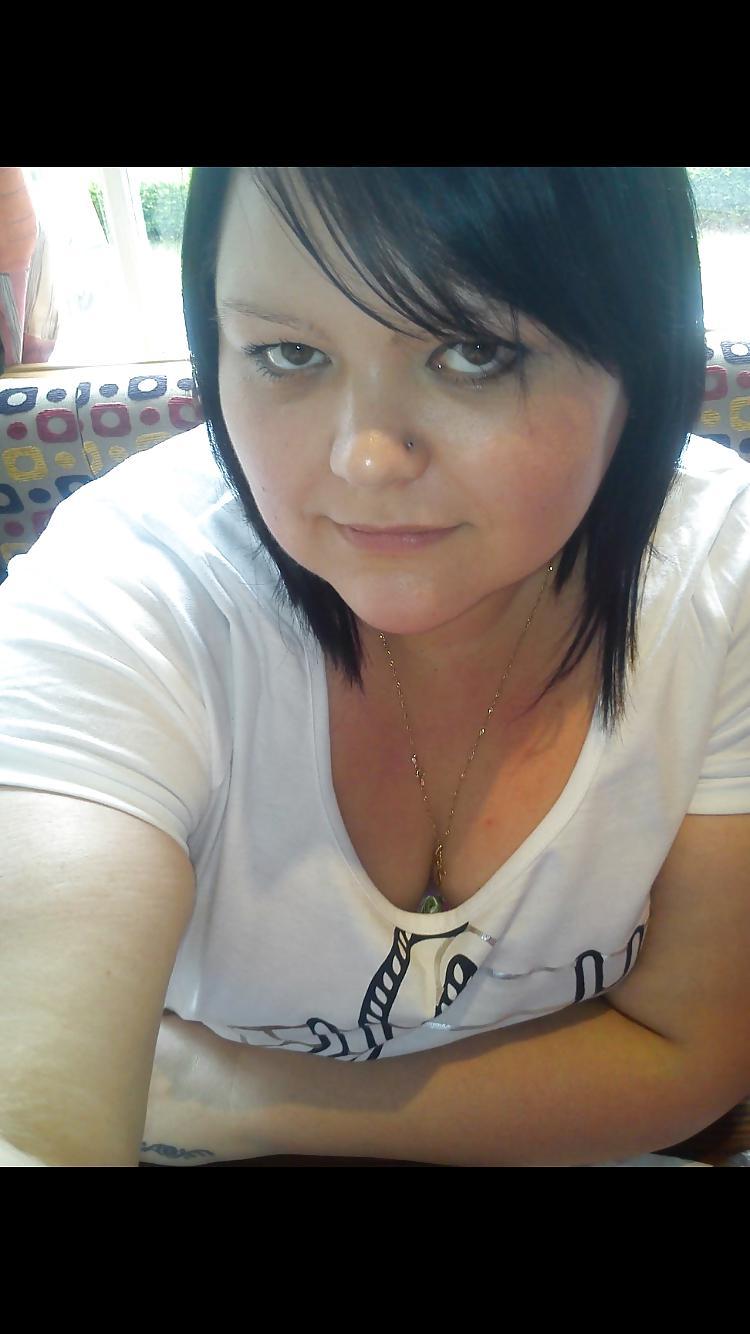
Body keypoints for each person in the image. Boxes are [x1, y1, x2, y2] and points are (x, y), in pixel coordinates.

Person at [1, 167, 748, 1169]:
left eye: (473, 351)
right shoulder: (130, 592)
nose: (366, 457)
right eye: (289, 353)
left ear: (643, 353)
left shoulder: (719, 579)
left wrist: (220, 1092)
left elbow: (689, 1052)